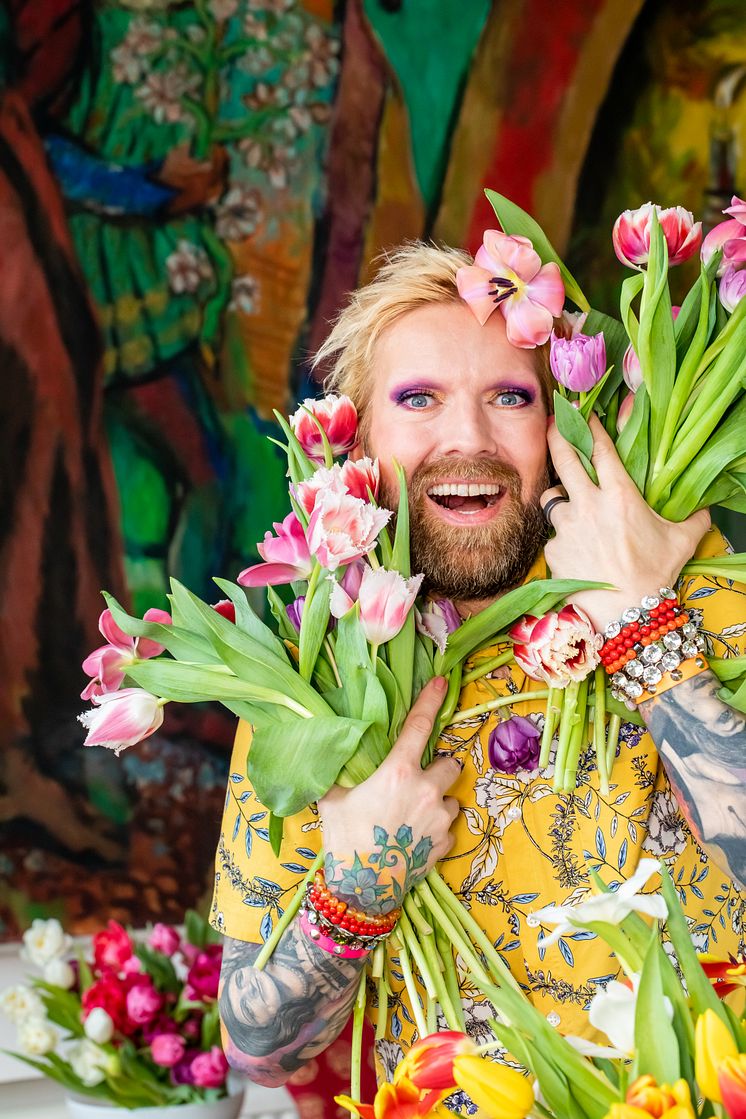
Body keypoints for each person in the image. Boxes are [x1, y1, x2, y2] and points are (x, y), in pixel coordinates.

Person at [210, 243, 746, 1088]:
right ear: (357, 436)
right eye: (418, 398)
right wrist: (356, 889)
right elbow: (259, 1052)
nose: (468, 436)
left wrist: (647, 633)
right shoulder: (306, 680)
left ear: (562, 421)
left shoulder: (690, 575)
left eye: (511, 396)